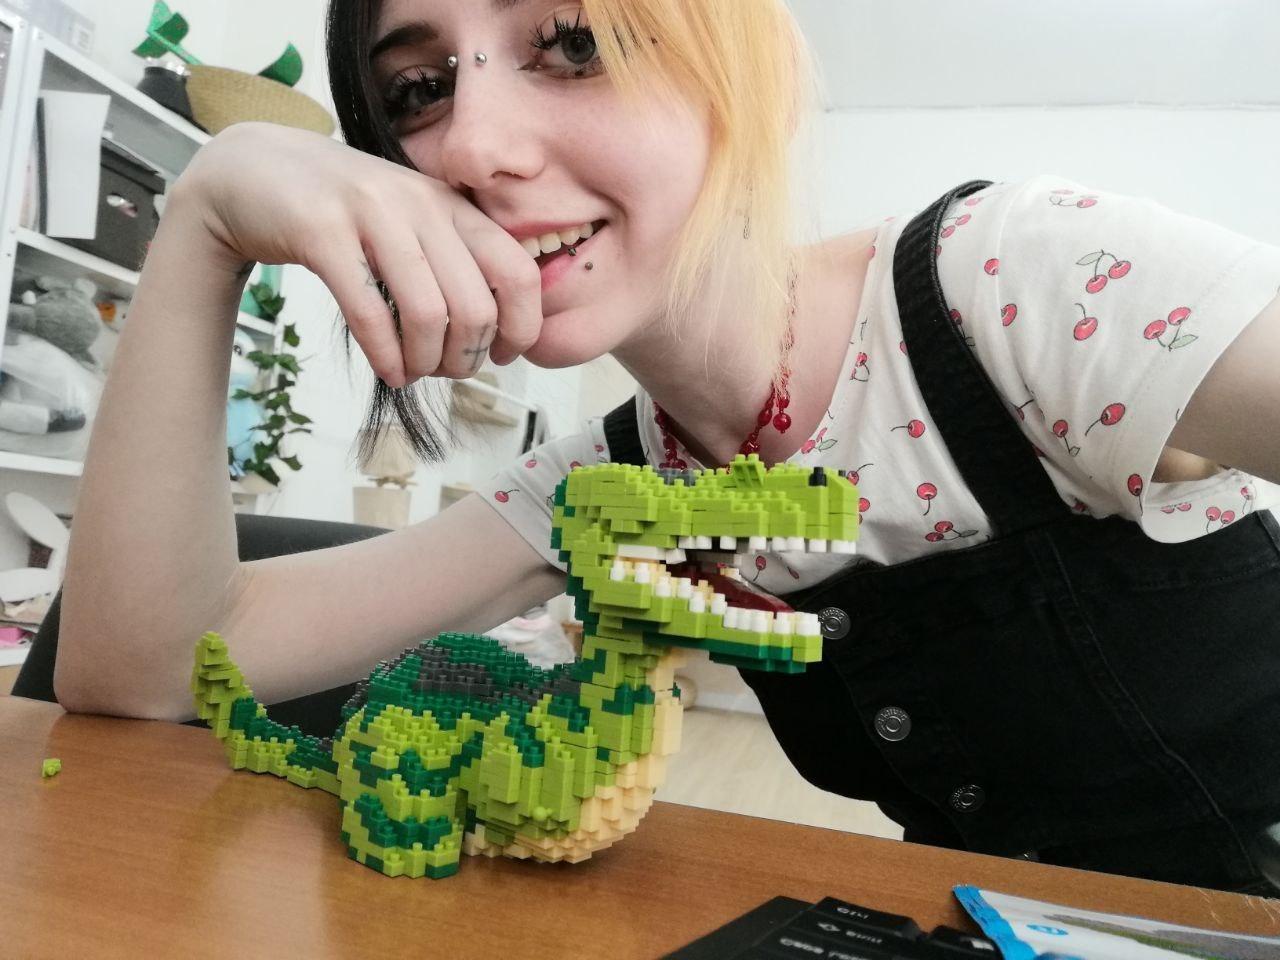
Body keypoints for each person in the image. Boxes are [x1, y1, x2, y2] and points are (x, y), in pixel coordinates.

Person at [57, 0, 1280, 893]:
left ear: (733, 65)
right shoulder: (607, 488)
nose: (468, 148)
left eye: (572, 41)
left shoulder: (1020, 281)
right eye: (416, 91)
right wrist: (205, 217)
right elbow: (147, 671)